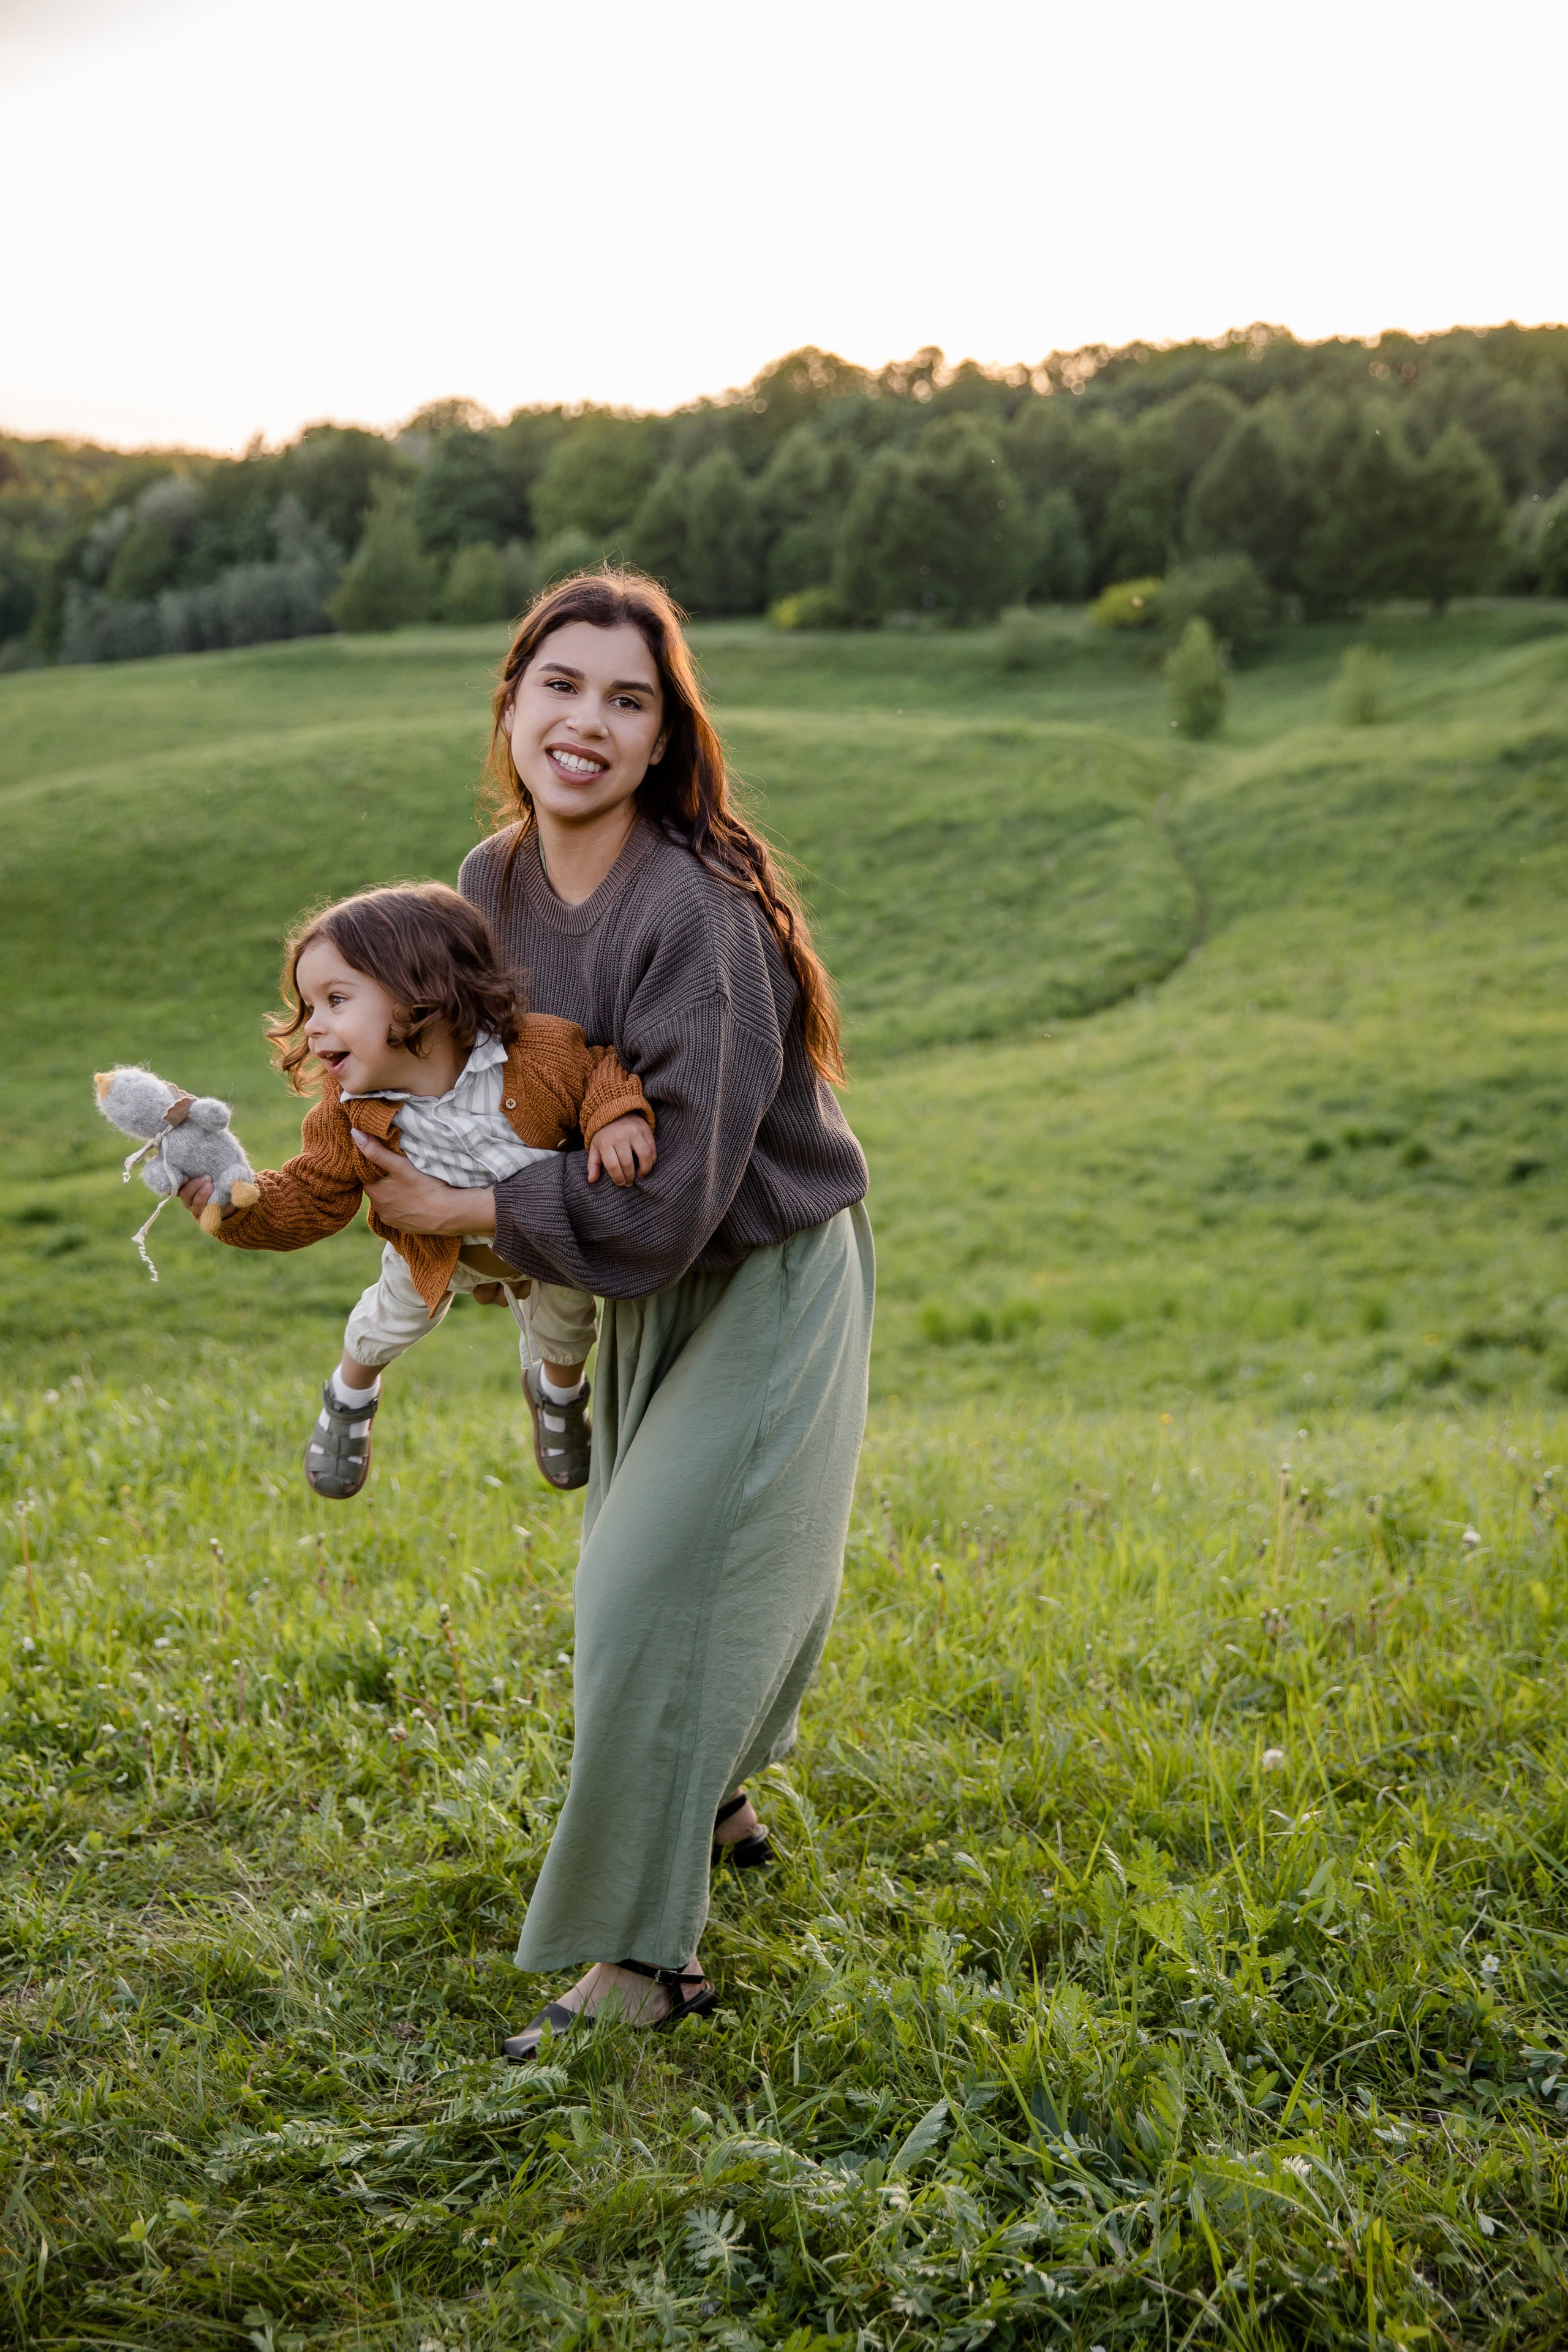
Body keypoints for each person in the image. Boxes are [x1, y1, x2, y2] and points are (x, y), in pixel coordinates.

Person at [342, 568, 874, 2052]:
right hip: (623, 1281)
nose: (585, 720)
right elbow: (487, 1080)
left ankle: (640, 1964)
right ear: (509, 701)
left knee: (642, 1588)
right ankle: (708, 1798)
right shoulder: (490, 881)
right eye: (558, 685)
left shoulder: (696, 921)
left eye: (625, 700)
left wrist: (477, 1212)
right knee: (649, 1576)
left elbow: (678, 1195)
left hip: (759, 1274)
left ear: (660, 742)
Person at [176, 881, 655, 1496]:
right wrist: (239, 1208)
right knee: (383, 1324)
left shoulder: (534, 1054)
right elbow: (311, 1195)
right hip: (430, 1252)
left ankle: (560, 1401)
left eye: (336, 999)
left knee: (566, 1331)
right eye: (308, 1008)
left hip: (540, 1246)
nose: (314, 1028)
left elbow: (600, 1070)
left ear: (422, 993)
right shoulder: (348, 1112)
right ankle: (349, 1399)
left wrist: (616, 1115)